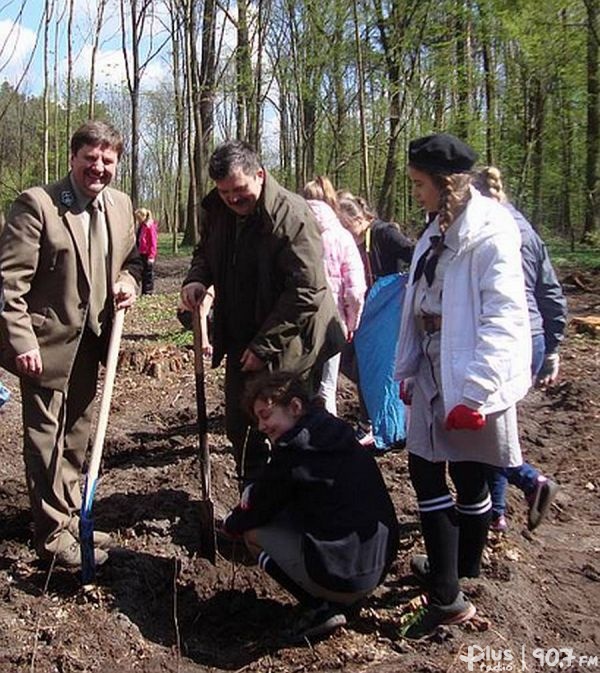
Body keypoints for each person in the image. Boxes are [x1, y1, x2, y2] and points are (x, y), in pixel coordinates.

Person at [394, 133, 531, 638]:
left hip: (468, 367)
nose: (416, 193)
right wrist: (409, 367)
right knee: (441, 469)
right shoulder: (436, 227)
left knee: (452, 472)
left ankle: (448, 597)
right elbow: (418, 300)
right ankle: (460, 572)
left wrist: (476, 392)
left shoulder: (490, 233)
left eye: (420, 184)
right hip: (434, 362)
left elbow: (504, 317)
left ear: (445, 183)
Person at [0, 120, 142, 569]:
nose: (98, 168)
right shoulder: (37, 205)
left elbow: (134, 262)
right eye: (90, 158)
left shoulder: (120, 206)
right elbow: (9, 284)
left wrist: (128, 282)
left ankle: (66, 518)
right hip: (43, 346)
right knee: (45, 441)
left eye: (108, 160)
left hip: (94, 342)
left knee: (77, 438)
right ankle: (50, 538)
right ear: (73, 158)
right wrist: (21, 341)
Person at [180, 140, 345, 485]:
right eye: (224, 193)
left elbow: (307, 291)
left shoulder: (291, 215)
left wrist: (264, 347)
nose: (233, 199)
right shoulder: (219, 210)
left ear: (260, 175)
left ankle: (305, 497)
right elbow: (205, 252)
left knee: (287, 421)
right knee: (242, 423)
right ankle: (253, 499)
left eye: (239, 190)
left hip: (293, 339)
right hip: (245, 330)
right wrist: (197, 279)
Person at [221, 370, 399, 642]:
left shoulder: (292, 454)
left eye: (266, 415)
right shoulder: (337, 432)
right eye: (257, 418)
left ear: (294, 407)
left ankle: (320, 607)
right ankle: (341, 596)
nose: (261, 426)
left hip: (346, 576)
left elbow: (253, 514)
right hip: (378, 565)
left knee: (254, 535)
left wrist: (229, 524)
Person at [474, 166, 565, 532]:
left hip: (499, 340)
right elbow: (551, 293)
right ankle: (496, 513)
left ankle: (530, 482)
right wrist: (552, 346)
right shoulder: (526, 229)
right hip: (532, 337)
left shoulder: (483, 231)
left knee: (487, 432)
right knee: (497, 425)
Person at [337, 195, 414, 447]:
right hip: (363, 314)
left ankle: (377, 423)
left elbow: (415, 255)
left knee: (380, 368)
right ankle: (373, 420)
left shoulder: (383, 234)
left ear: (359, 219)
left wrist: (403, 287)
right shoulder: (349, 243)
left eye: (347, 227)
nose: (345, 233)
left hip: (385, 314)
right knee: (357, 364)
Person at [303, 177, 367, 415]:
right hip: (332, 323)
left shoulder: (295, 231)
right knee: (327, 389)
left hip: (300, 322)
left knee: (300, 388)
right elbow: (355, 290)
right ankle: (327, 446)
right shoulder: (342, 237)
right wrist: (351, 323)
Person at [134, 207, 159, 295]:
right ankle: (144, 291)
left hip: (148, 254)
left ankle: (148, 291)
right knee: (143, 273)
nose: (138, 220)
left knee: (148, 274)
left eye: (139, 217)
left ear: (143, 216)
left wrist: (151, 256)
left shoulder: (150, 226)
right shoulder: (142, 226)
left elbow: (153, 242)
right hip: (141, 252)